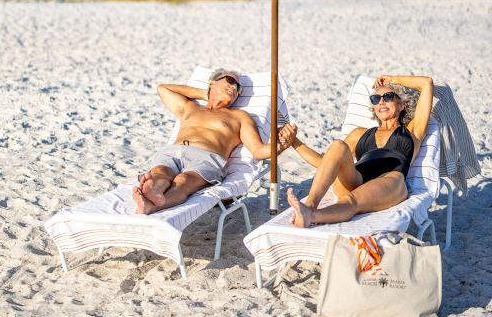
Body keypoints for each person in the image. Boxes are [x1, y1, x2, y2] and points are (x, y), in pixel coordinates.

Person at [133, 68, 296, 214]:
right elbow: (163, 89)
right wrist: (205, 93)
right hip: (173, 152)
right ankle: (151, 193)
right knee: (160, 174)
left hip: (206, 159)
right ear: (212, 83)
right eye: (231, 81)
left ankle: (154, 205)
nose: (235, 88)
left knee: (182, 181)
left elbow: (258, 151)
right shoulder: (191, 107)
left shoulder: (239, 117)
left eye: (239, 89)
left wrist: (281, 145)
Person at [286, 75, 434, 227]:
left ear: (402, 104)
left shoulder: (413, 132)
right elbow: (325, 163)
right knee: (337, 145)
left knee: (363, 196)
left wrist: (392, 79)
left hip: (389, 183)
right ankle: (309, 206)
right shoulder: (359, 134)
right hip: (356, 179)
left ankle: (312, 216)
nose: (381, 101)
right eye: (376, 99)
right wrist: (294, 142)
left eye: (388, 96)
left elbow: (426, 83)